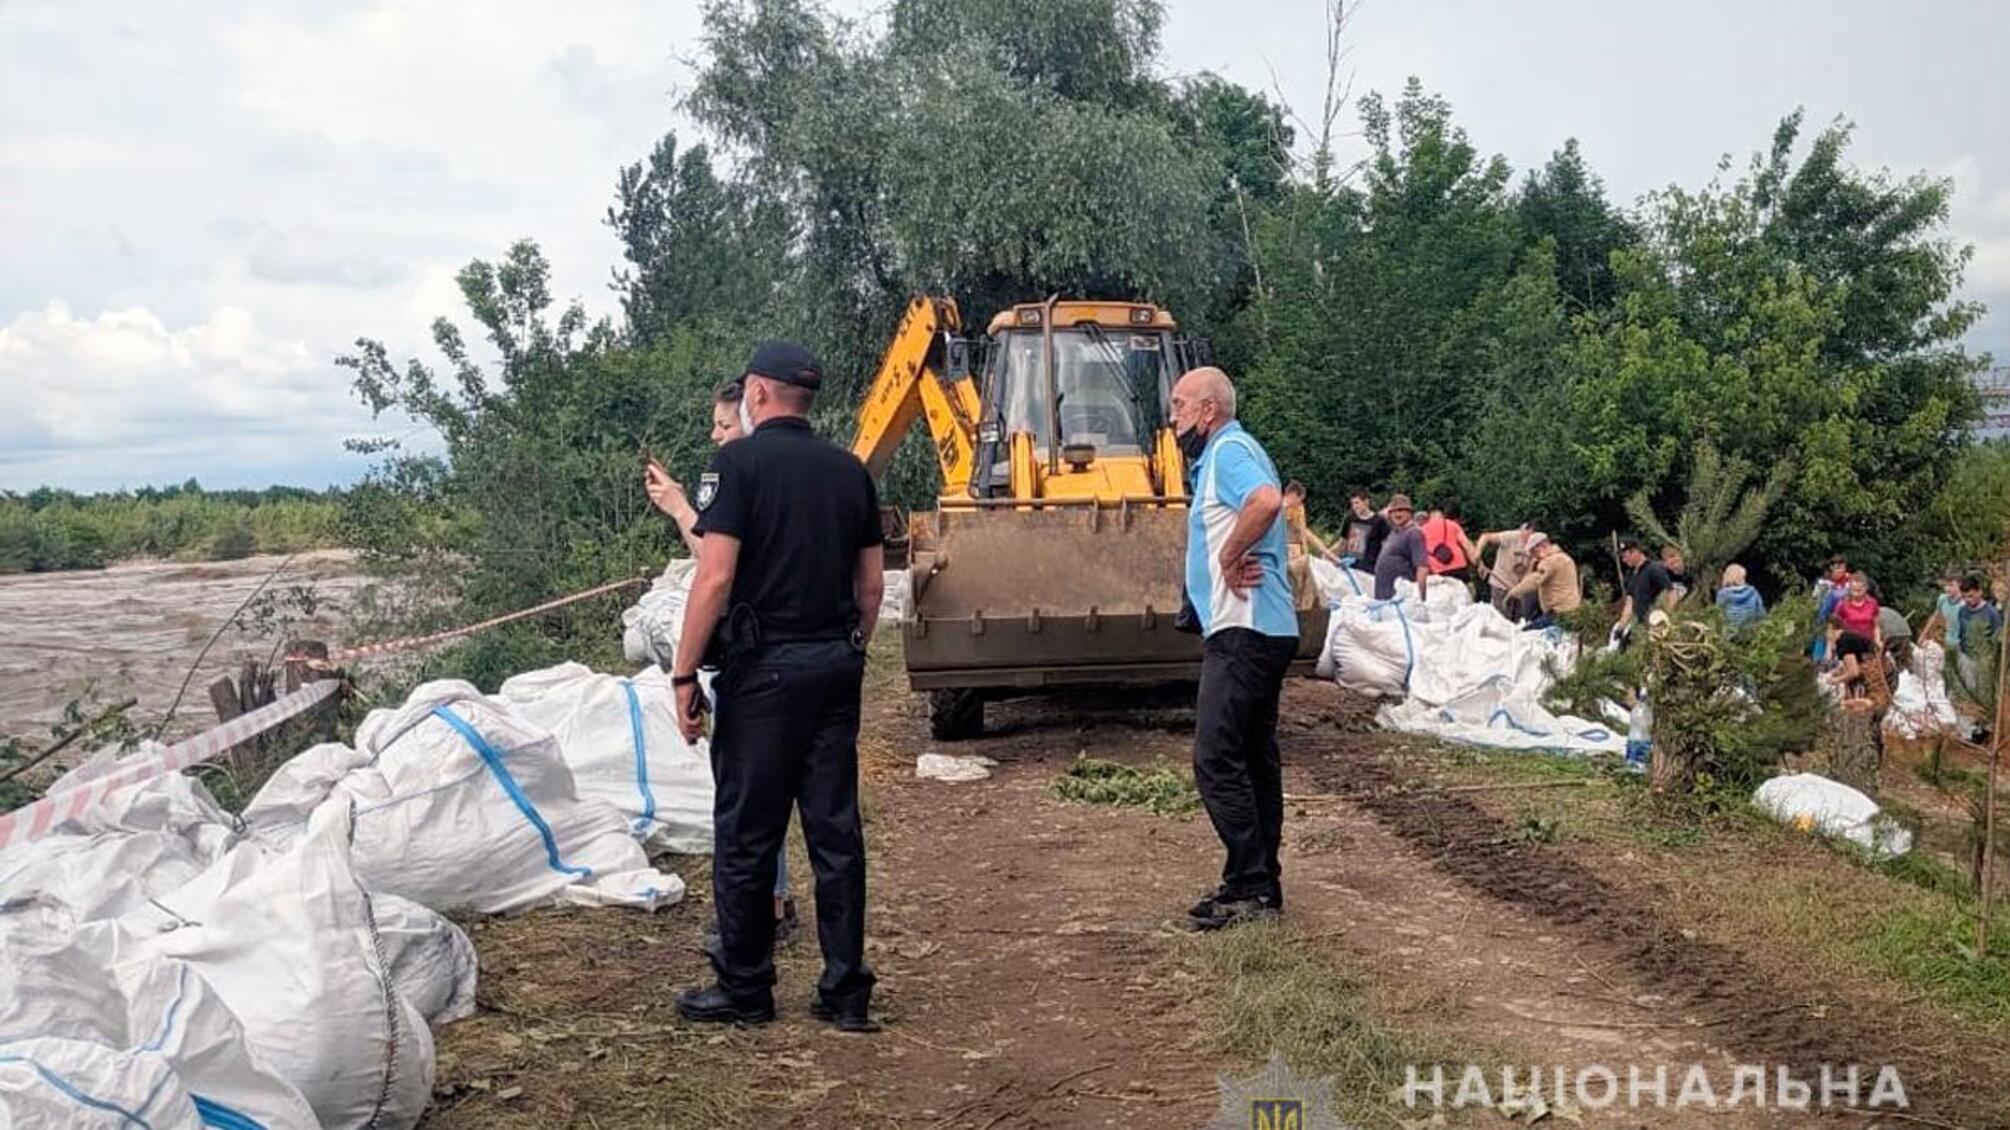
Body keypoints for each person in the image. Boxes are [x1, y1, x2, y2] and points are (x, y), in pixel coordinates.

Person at [668, 340, 884, 1033]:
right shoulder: (851, 472)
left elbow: (716, 575)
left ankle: (746, 988)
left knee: (748, 835)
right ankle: (846, 990)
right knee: (835, 835)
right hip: (834, 668)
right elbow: (872, 585)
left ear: (758, 395)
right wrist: (851, 647)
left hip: (763, 675)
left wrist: (683, 672)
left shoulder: (738, 466)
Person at [645, 382, 800, 950]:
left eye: (723, 425)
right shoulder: (778, 479)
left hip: (755, 661)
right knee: (763, 788)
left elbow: (715, 570)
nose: (715, 436)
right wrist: (683, 507)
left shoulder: (747, 481)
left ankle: (769, 908)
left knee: (751, 788)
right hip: (783, 660)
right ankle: (773, 899)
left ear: (754, 420)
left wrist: (683, 672)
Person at [1169, 366, 1299, 931]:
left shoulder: (1229, 450)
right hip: (1263, 628)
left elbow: (1268, 501)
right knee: (1251, 756)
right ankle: (1256, 881)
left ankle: (1250, 885)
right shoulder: (1225, 455)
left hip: (1243, 629)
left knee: (1215, 758)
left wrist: (1226, 557)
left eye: (1179, 406)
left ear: (1208, 410)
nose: (1172, 418)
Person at [1503, 533, 1580, 631]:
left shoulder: (1550, 562)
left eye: (1533, 552)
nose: (1533, 556)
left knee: (1526, 634)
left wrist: (1512, 593)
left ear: (1541, 546)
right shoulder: (1566, 558)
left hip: (1558, 613)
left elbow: (1534, 580)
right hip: (1571, 611)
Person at [1280, 480, 1337, 609]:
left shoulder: (1297, 509)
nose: (1301, 503)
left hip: (1295, 551)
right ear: (1293, 494)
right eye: (1300, 499)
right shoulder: (1278, 509)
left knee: (1300, 586)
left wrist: (1308, 553)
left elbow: (1304, 533)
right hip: (1284, 552)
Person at [1371, 494, 1430, 602]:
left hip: (1401, 601)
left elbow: (1422, 568)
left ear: (1410, 513)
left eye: (1402, 510)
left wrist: (1421, 599)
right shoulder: (1394, 532)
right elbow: (1379, 516)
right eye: (1394, 511)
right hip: (1384, 599)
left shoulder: (1413, 533)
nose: (1398, 513)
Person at [1473, 523, 1537, 620]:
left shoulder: (1537, 545)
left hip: (1520, 588)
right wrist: (1478, 553)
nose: (1525, 539)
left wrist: (1522, 586)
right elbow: (1485, 537)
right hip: (1501, 584)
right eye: (1524, 535)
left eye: (1529, 537)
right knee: (1501, 620)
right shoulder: (1510, 537)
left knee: (1519, 621)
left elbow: (1532, 569)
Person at [1615, 541, 1674, 637]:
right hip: (1640, 624)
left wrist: (1666, 617)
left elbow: (1672, 593)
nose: (1624, 560)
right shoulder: (1631, 575)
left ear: (1635, 552)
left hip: (1655, 622)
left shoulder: (1654, 569)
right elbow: (1629, 603)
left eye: (1625, 556)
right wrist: (1621, 627)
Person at [1418, 499, 1475, 591]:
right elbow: (1467, 545)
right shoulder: (1452, 525)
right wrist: (1478, 563)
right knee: (1467, 599)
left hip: (1438, 573)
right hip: (1460, 570)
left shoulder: (1420, 531)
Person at [1340, 488, 1390, 571]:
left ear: (1366, 502)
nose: (1354, 507)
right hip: (1349, 566)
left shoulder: (1379, 521)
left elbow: (1386, 546)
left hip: (1369, 569)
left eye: (1357, 503)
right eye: (1352, 504)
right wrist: (1328, 555)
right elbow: (1342, 542)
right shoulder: (1350, 519)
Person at [1714, 563, 1766, 631]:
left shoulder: (1722, 595)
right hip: (1750, 633)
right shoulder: (1753, 592)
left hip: (1729, 635)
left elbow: (1719, 618)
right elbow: (1761, 615)